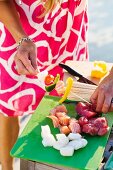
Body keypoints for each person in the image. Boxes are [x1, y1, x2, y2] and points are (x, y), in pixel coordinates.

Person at [0, 0, 88, 169]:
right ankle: (6, 167)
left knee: (64, 97)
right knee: (10, 102)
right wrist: (22, 39)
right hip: (21, 27)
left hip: (67, 25)